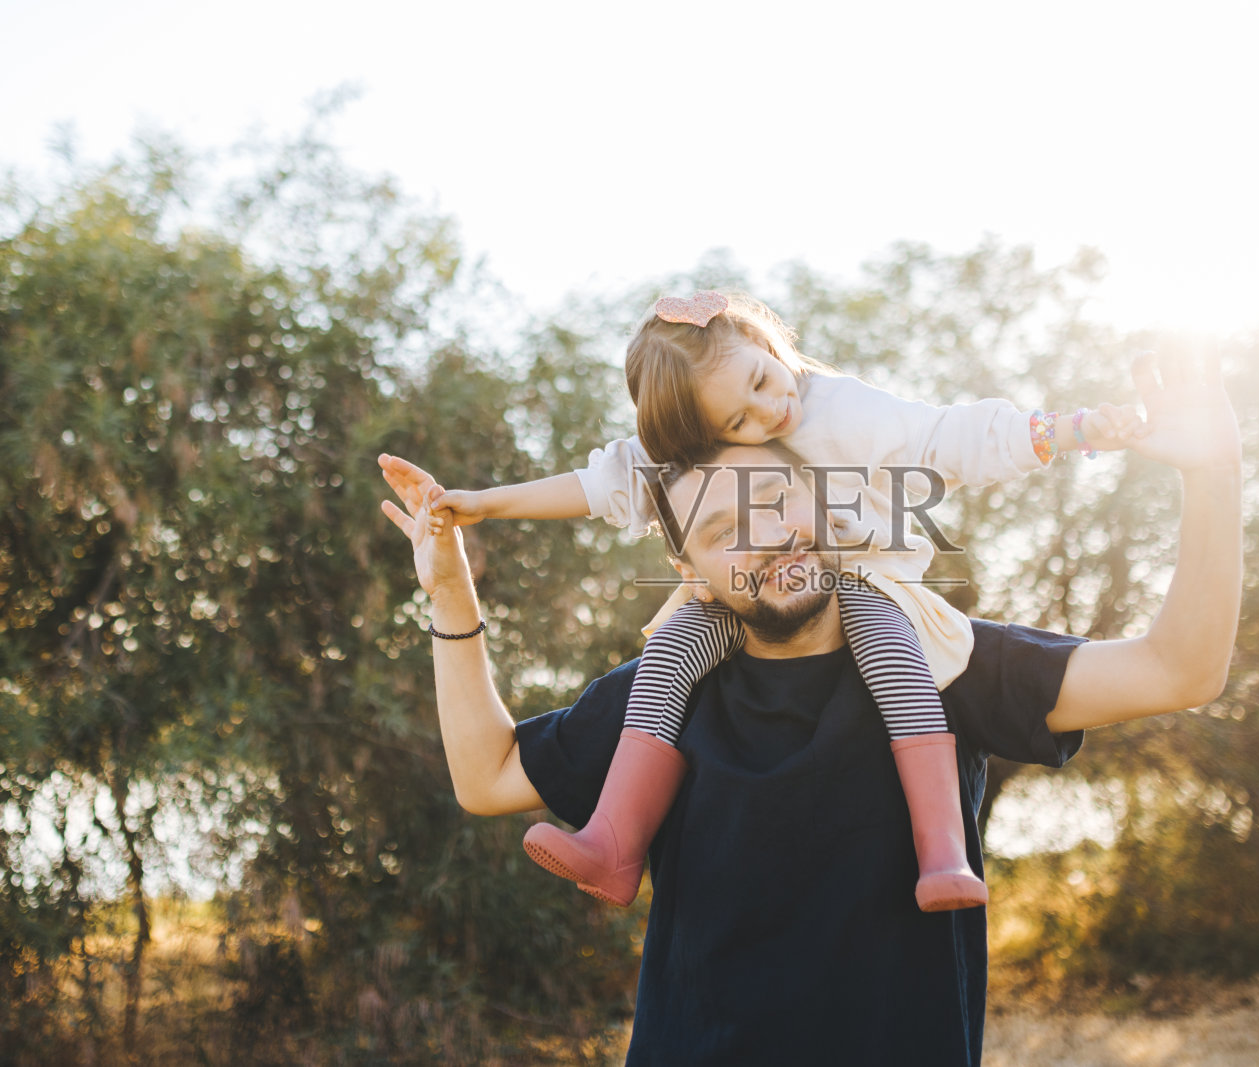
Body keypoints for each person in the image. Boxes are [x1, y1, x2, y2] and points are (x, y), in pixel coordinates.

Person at [378, 348, 1243, 1066]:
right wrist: (451, 594)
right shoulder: (663, 692)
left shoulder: (944, 660)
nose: (766, 536)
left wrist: (1214, 472)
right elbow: (486, 777)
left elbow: (1180, 670)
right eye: (723, 532)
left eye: (777, 502)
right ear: (691, 573)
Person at [393, 289, 1142, 912]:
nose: (766, 417)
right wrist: (483, 505)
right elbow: (599, 484)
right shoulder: (695, 448)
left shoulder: (843, 411)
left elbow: (950, 436)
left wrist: (1065, 432)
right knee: (671, 652)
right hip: (746, 593)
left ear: (765, 339)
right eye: (736, 423)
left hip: (859, 577)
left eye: (760, 383)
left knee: (893, 653)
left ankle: (942, 848)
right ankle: (614, 841)